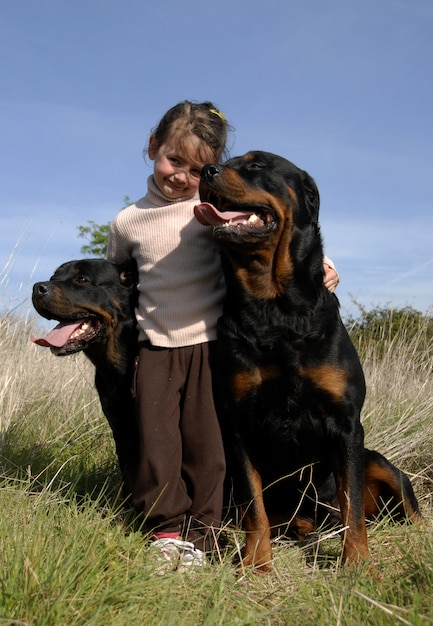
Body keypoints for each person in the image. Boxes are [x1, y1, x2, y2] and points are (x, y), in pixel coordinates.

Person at [106, 100, 340, 568]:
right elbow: (117, 280)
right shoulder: (126, 221)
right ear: (153, 146)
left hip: (211, 345)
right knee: (159, 442)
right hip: (156, 347)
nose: (180, 175)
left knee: (208, 444)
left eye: (196, 169)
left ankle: (207, 531)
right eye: (174, 160)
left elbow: (278, 238)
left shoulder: (211, 211)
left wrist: (326, 266)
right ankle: (166, 530)